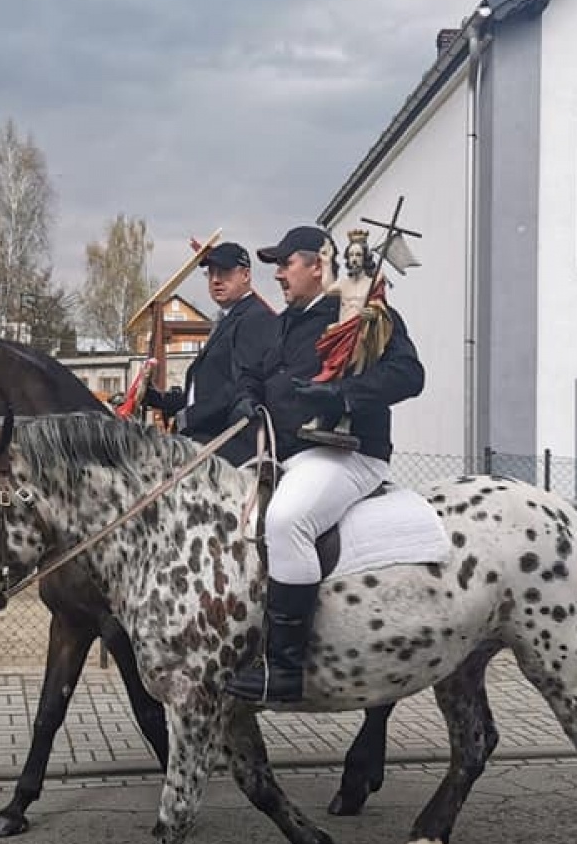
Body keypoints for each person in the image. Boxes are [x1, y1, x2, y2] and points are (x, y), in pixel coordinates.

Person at [227, 224, 425, 704]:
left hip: (347, 452)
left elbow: (409, 375)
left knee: (288, 519)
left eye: (284, 263)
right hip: (287, 452)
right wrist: (247, 397)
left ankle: (286, 669)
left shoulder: (366, 310)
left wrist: (341, 394)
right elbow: (253, 374)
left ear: (319, 264)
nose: (276, 274)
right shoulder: (285, 322)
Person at [141, 241, 275, 466]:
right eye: (211, 273)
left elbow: (240, 388)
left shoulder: (255, 319)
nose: (216, 280)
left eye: (224, 272)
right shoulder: (227, 319)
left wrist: (188, 418)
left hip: (228, 443)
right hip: (206, 437)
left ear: (246, 275)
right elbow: (203, 393)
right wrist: (157, 399)